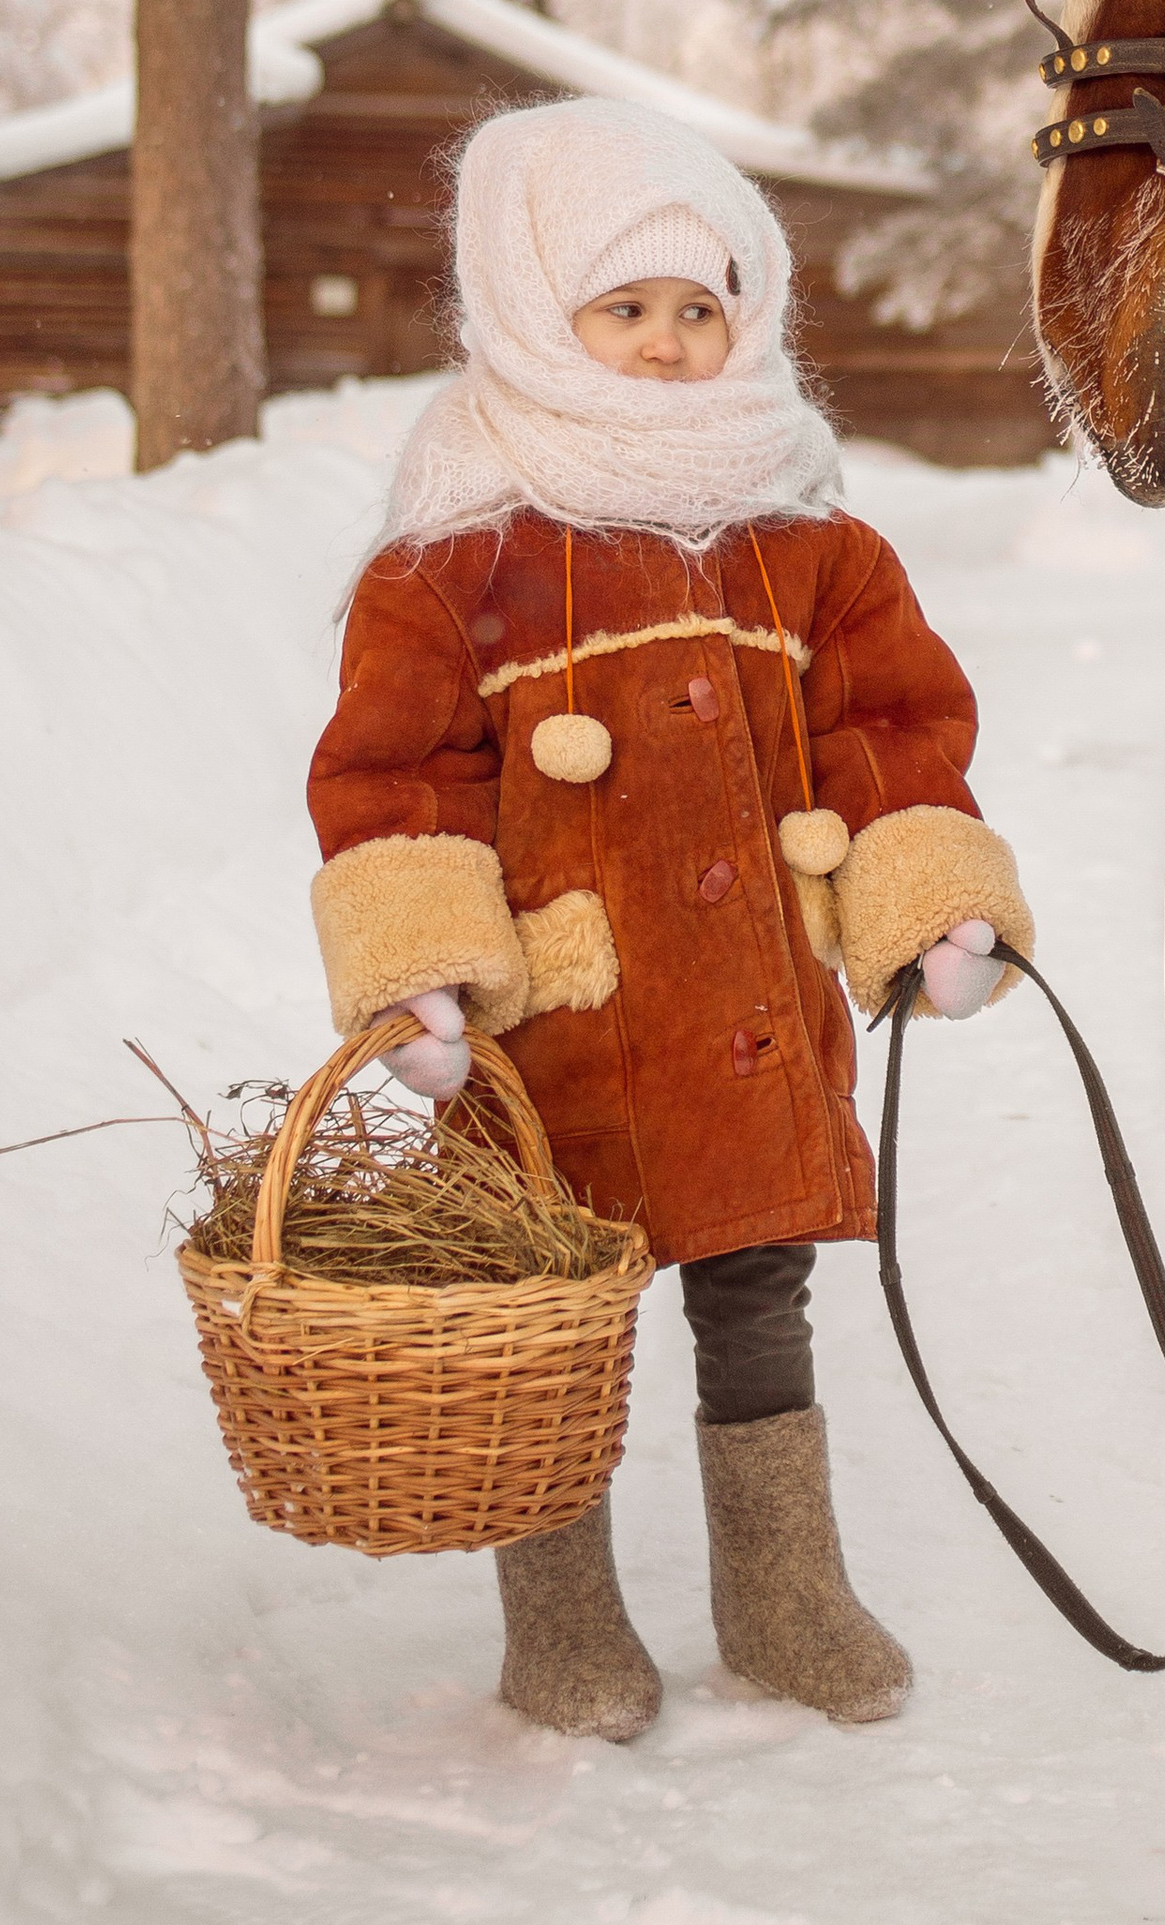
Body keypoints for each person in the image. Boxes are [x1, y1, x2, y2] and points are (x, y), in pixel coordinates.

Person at [306, 94, 1033, 1745]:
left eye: (699, 307)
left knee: (758, 1294)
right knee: (560, 1324)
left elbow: (888, 731)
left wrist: (928, 905)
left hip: (746, 1010)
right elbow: (396, 771)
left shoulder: (808, 539)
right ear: (532, 308)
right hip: (556, 1033)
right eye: (623, 306)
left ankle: (783, 1598)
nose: (665, 342)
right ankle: (562, 1620)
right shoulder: (460, 556)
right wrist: (420, 970)